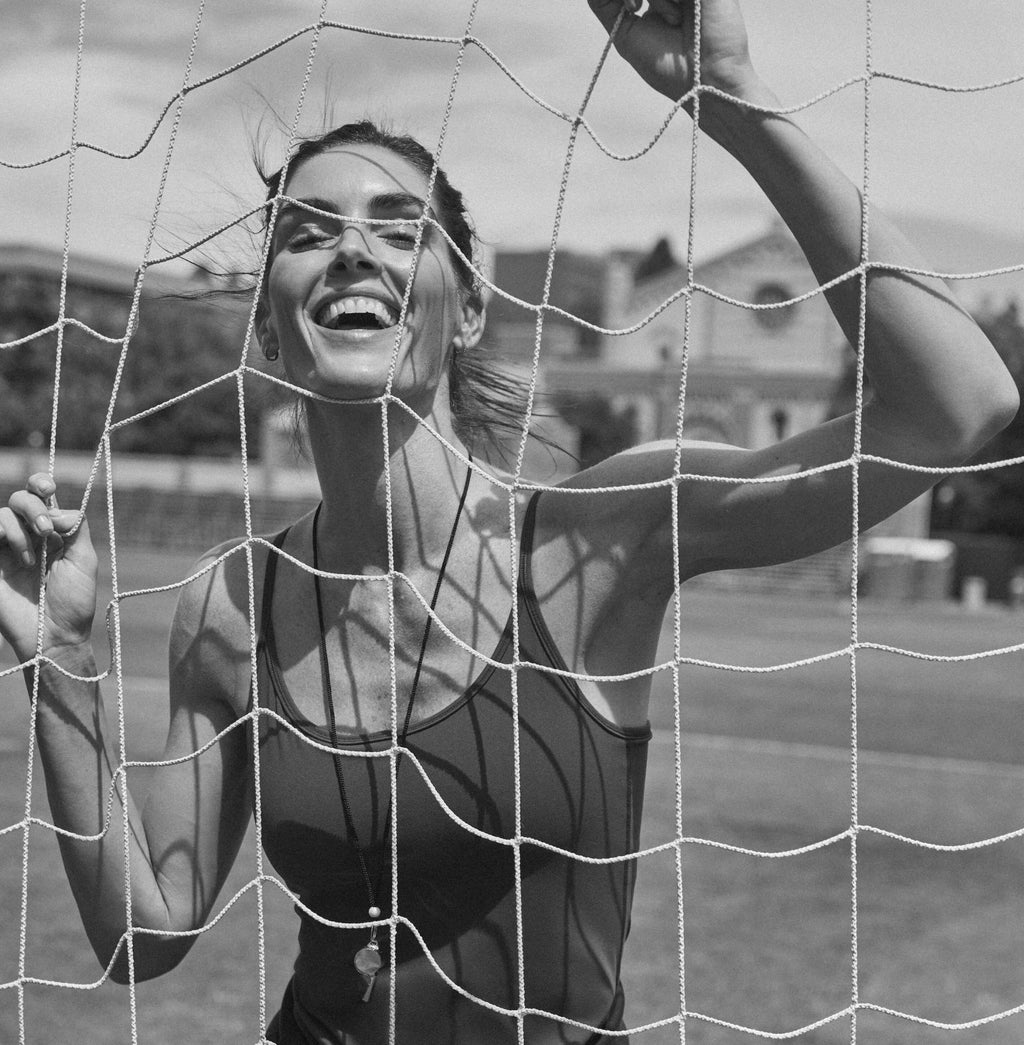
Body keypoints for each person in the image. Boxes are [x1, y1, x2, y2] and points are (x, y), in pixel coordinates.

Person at [0, 1, 1017, 1042]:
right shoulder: (229, 602)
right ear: (268, 321)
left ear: (471, 309)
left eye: (400, 229)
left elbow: (957, 409)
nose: (352, 250)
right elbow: (145, 936)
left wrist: (731, 99)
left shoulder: (596, 541)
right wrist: (60, 657)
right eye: (308, 234)